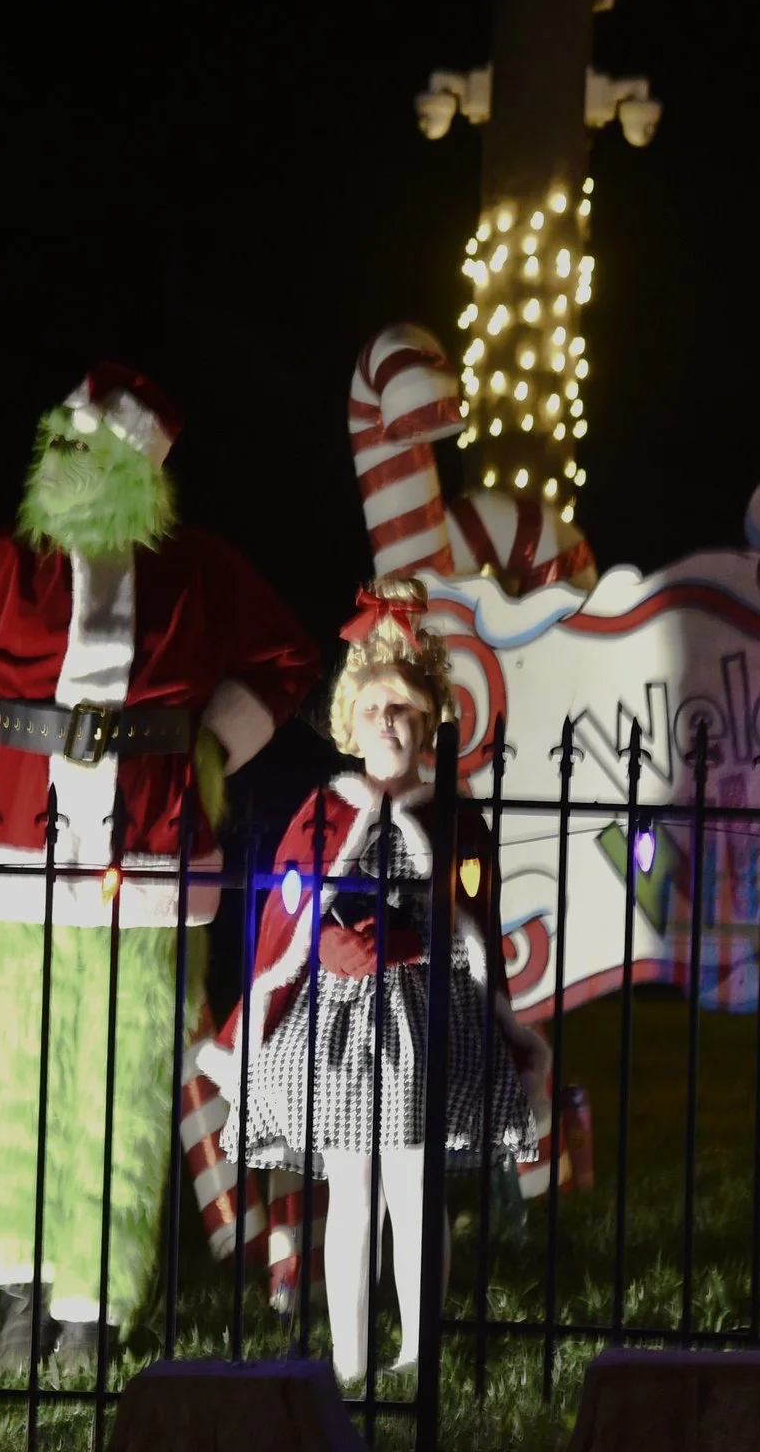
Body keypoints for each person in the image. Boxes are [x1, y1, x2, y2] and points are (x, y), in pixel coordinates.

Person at [0, 364, 319, 1375]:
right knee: (16, 1080)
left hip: (148, 866)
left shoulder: (197, 573)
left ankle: (92, 1309)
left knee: (118, 1092)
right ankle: (20, 1296)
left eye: (89, 447)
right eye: (60, 442)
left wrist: (208, 750)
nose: (65, 460)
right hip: (15, 857)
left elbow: (285, 657)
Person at [195, 579, 549, 1384]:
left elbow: (473, 920)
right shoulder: (321, 812)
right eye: (373, 708)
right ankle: (350, 1364)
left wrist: (413, 938)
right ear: (350, 722)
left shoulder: (455, 820)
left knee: (416, 1191)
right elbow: (285, 909)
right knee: (351, 1191)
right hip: (338, 1031)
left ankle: (419, 1354)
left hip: (425, 1024)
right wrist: (323, 940)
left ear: (428, 723)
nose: (387, 722)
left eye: (403, 710)